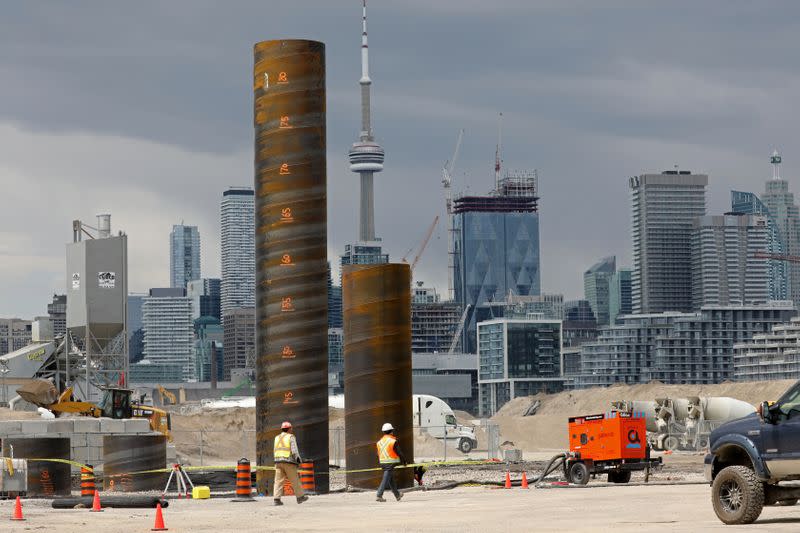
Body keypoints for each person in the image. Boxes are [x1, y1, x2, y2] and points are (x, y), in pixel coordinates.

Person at [273, 421, 309, 506]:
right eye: (291, 428)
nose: (292, 429)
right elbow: (294, 450)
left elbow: (274, 450)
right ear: (289, 429)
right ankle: (300, 497)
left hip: (278, 461)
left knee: (278, 481)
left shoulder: (277, 437)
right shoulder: (291, 437)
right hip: (288, 461)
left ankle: (276, 499)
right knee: (294, 480)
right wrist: (298, 460)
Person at [376, 422, 407, 502]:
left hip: (382, 462)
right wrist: (404, 461)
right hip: (391, 462)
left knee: (390, 478)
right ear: (391, 431)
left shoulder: (379, 442)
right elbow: (399, 452)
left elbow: (378, 454)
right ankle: (379, 494)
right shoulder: (392, 441)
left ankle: (397, 495)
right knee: (386, 478)